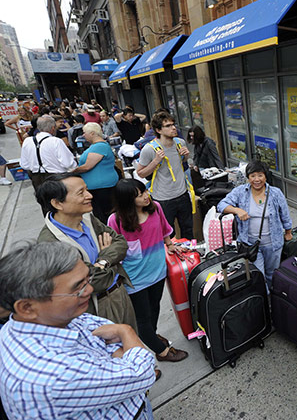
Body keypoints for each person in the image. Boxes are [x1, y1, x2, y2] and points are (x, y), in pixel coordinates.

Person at [0, 242, 156, 420]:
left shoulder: (39, 320)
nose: (89, 289)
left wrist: (121, 361)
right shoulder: (54, 377)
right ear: (27, 307)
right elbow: (142, 373)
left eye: (87, 280)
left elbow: (93, 327)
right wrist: (126, 332)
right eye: (77, 287)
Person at [35, 173, 137, 328]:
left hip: (120, 293)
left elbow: (120, 243)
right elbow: (92, 282)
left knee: (132, 343)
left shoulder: (88, 218)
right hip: (94, 309)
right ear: (57, 203)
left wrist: (102, 262)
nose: (89, 196)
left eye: (87, 190)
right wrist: (109, 261)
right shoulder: (50, 243)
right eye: (81, 193)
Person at [108, 179, 189, 367]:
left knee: (154, 309)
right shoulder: (116, 220)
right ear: (127, 200)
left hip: (158, 271)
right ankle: (161, 351)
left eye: (145, 191)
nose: (146, 197)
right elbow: (114, 249)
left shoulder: (156, 208)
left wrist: (170, 245)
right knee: (142, 320)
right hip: (135, 278)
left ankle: (152, 336)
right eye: (139, 195)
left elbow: (164, 230)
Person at [217, 161, 293, 289]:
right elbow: (221, 205)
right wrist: (237, 210)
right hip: (251, 245)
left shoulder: (275, 193)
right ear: (248, 177)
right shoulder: (240, 192)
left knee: (272, 274)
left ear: (266, 176)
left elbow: (285, 215)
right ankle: (263, 300)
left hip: (273, 244)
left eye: (260, 175)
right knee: (259, 276)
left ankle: (272, 301)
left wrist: (288, 232)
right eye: (252, 176)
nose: (256, 179)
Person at [137, 111, 194, 239]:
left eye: (173, 124)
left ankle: (190, 256)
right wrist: (155, 161)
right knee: (169, 234)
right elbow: (140, 173)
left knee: (188, 230)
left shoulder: (180, 142)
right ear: (158, 130)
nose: (173, 128)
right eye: (167, 126)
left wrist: (186, 156)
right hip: (163, 199)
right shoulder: (149, 149)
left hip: (183, 194)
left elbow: (181, 162)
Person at [72, 123, 119, 222]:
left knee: (105, 215)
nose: (83, 135)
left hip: (102, 188)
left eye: (85, 133)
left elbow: (88, 166)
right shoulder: (97, 146)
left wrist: (73, 171)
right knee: (102, 214)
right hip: (99, 187)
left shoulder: (99, 146)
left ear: (92, 133)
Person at [19, 115, 77, 196]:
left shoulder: (27, 141)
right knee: (61, 202)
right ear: (53, 128)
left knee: (46, 203)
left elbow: (24, 164)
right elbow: (68, 163)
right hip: (56, 177)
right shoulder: (56, 141)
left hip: (37, 178)